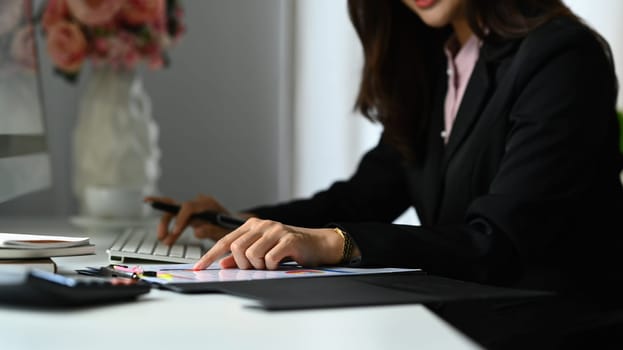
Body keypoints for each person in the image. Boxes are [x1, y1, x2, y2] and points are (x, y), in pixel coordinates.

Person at [148, 0, 623, 299]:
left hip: (551, 324)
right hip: (462, 310)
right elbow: (361, 197)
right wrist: (240, 222)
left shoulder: (562, 57)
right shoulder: (433, 66)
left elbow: (495, 243)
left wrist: (338, 243)